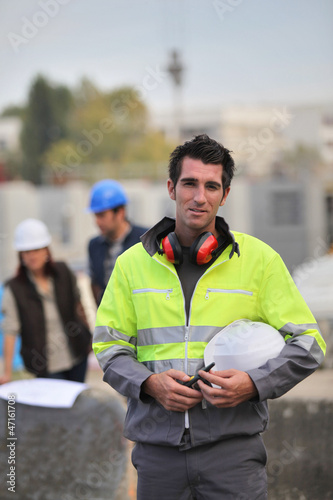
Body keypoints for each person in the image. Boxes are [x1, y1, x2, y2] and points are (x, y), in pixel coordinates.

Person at [92, 134, 326, 499]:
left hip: (233, 455)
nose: (199, 197)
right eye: (189, 183)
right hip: (157, 455)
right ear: (171, 187)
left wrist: (253, 384)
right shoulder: (130, 265)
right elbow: (108, 347)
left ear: (225, 194)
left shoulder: (260, 261)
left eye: (211, 186)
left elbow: (310, 345)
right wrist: (149, 385)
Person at [0, 218, 92, 384]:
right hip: (44, 366)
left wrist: (90, 338)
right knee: (56, 408)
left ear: (46, 250)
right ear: (20, 255)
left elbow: (79, 306)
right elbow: (10, 331)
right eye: (26, 251)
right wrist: (7, 373)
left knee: (76, 405)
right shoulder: (14, 288)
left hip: (77, 355)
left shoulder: (63, 272)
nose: (31, 256)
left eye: (36, 249)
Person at [87, 179, 147, 305]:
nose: (97, 222)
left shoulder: (145, 240)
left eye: (102, 215)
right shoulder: (94, 246)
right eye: (95, 215)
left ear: (120, 212)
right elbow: (95, 285)